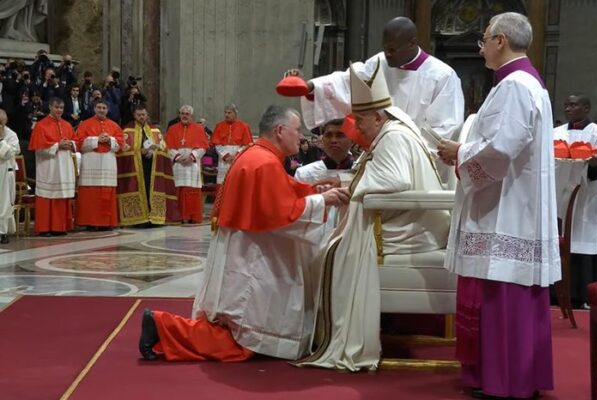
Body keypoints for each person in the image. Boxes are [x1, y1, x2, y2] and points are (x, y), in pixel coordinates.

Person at [137, 105, 350, 362]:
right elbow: (280, 212)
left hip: (247, 250)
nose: (300, 136)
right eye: (296, 130)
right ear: (280, 130)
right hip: (254, 259)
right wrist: (322, 201)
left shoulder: (257, 155)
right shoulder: (263, 161)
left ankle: (162, 326)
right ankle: (161, 326)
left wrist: (314, 192)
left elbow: (282, 191)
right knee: (242, 341)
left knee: (239, 333)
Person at [295, 58, 449, 371]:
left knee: (330, 251)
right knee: (329, 246)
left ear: (378, 117)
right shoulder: (394, 131)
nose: (357, 127)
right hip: (417, 221)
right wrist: (345, 183)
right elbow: (380, 176)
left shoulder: (392, 137)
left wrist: (351, 190)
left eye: (361, 120)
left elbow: (394, 180)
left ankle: (334, 334)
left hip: (410, 233)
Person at [437, 12, 560, 399]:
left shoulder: (516, 86)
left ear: (501, 40)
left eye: (484, 39)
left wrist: (459, 154)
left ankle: (505, 380)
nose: (482, 47)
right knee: (509, 298)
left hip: (506, 211)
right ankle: (510, 376)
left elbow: (501, 149)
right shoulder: (524, 83)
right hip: (513, 206)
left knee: (503, 296)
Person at [295, 16, 464, 153]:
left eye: (393, 49)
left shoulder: (442, 76)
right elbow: (349, 81)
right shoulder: (380, 62)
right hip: (382, 153)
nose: (388, 54)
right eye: (385, 48)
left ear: (412, 43)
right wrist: (311, 87)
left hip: (417, 159)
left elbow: (445, 129)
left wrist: (407, 152)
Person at [554, 94, 597, 309]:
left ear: (586, 107)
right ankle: (557, 294)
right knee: (562, 237)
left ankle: (582, 294)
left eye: (573, 105)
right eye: (566, 105)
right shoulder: (557, 132)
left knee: (584, 237)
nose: (569, 109)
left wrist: (592, 166)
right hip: (560, 192)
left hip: (589, 195)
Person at [116, 105, 179, 226]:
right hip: (135, 169)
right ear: (134, 116)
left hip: (153, 168)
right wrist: (139, 152)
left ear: (147, 115)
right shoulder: (127, 131)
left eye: (143, 115)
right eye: (139, 115)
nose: (141, 117)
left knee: (151, 190)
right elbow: (123, 151)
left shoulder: (155, 131)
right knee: (140, 189)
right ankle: (138, 219)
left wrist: (153, 151)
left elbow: (164, 148)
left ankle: (154, 217)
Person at [28, 97, 76, 236]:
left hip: (64, 164)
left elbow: (74, 141)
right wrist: (57, 145)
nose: (59, 110)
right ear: (50, 107)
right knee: (47, 196)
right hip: (48, 165)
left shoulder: (67, 125)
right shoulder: (41, 125)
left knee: (60, 196)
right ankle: (44, 228)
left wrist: (71, 144)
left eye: (61, 108)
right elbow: (39, 148)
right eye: (56, 107)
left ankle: (59, 227)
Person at [74, 99, 124, 230]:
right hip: (91, 162)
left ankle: (106, 223)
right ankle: (90, 222)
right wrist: (97, 139)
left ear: (107, 110)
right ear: (94, 109)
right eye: (99, 107)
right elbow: (79, 143)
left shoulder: (115, 126)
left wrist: (110, 140)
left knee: (107, 192)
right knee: (90, 195)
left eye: (104, 108)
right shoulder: (85, 124)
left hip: (108, 163)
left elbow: (121, 145)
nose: (101, 110)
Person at [164, 105, 209, 223]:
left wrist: (191, 156)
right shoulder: (172, 129)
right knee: (178, 189)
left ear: (191, 116)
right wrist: (178, 157)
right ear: (179, 114)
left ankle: (192, 217)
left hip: (192, 164)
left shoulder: (199, 129)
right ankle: (178, 216)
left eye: (187, 114)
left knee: (191, 189)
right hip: (177, 164)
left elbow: (203, 147)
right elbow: (167, 147)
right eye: (182, 113)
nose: (184, 116)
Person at [210, 104, 253, 185]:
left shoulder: (244, 126)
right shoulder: (219, 126)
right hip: (223, 159)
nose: (226, 115)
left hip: (238, 159)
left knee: (237, 183)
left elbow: (247, 144)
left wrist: (236, 156)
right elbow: (217, 144)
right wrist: (226, 156)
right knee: (223, 182)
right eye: (225, 112)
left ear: (235, 113)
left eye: (229, 113)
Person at [0, 109, 20, 244]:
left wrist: (1, 139)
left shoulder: (11, 135)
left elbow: (6, 154)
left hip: (5, 172)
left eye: (1, 121)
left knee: (4, 202)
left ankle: (2, 232)